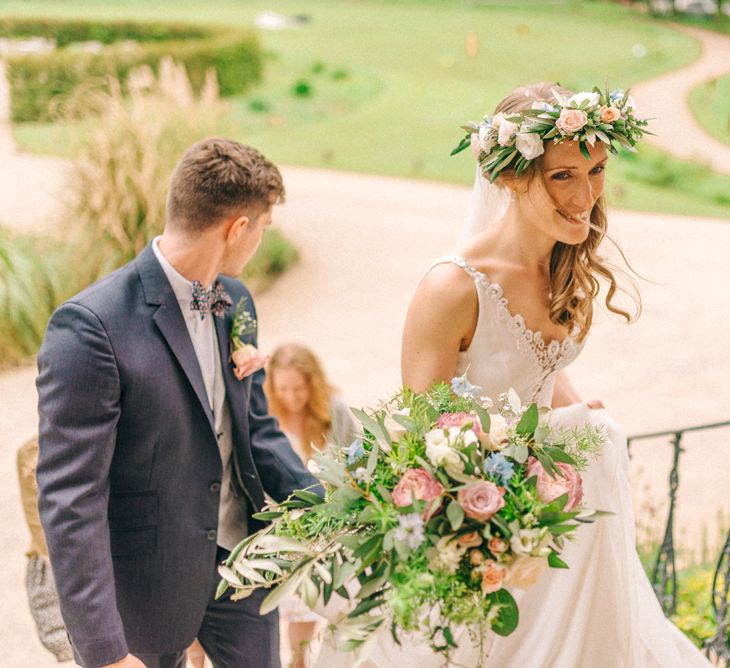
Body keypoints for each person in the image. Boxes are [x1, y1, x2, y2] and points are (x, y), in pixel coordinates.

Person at [321, 83, 712, 666]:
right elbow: (423, 441)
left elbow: (534, 371)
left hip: (560, 520)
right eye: (563, 177)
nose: (587, 195)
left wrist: (579, 413)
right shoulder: (452, 289)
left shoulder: (564, 269)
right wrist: (520, 484)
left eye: (597, 170)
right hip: (487, 530)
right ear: (508, 177)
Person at [36, 137, 322, 668]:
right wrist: (103, 650)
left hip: (244, 570)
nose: (259, 241)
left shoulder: (234, 300)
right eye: (261, 229)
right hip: (145, 593)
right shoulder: (90, 327)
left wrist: (337, 508)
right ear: (239, 228)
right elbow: (70, 497)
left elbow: (255, 431)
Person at [264, 343, 356, 668]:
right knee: (294, 601)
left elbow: (357, 457)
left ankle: (303, 659)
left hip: (330, 521)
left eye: (299, 388)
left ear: (312, 383)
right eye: (283, 388)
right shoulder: (264, 415)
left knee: (323, 598)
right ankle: (298, 661)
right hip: (282, 524)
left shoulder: (334, 411)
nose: (291, 396)